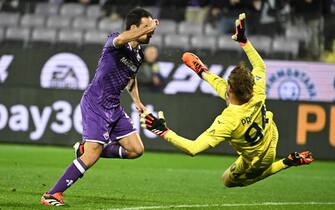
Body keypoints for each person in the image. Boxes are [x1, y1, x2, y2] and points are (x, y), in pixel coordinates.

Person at [140, 13, 313, 188]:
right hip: (270, 134)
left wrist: (162, 130)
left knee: (228, 181)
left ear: (231, 90)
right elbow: (260, 66)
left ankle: (286, 163)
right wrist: (243, 41)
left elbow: (193, 148)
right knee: (229, 89)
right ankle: (204, 72)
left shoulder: (229, 120)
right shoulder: (257, 91)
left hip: (258, 157)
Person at [40, 8, 159, 206]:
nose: (151, 31)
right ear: (133, 28)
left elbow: (131, 79)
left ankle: (84, 150)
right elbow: (122, 39)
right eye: (145, 27)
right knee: (93, 153)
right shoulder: (115, 41)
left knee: (136, 149)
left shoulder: (138, 56)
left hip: (114, 106)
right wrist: (151, 25)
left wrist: (138, 102)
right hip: (96, 102)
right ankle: (52, 194)